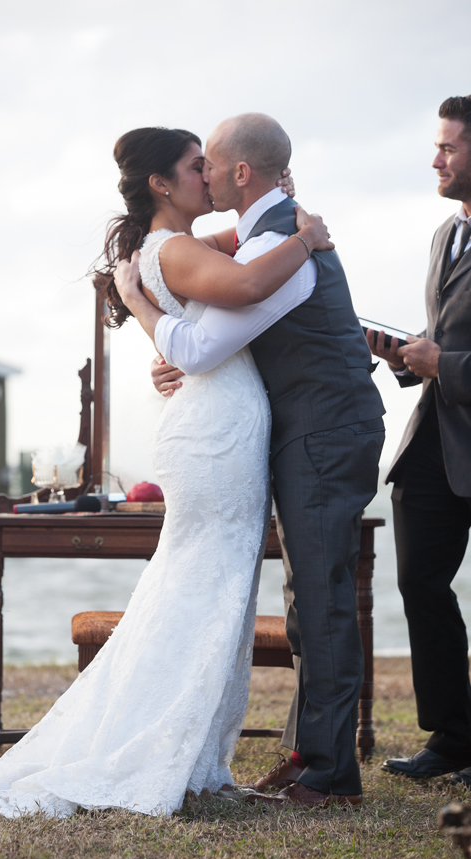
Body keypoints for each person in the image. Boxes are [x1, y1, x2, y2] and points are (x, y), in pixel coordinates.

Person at [0, 126, 332, 818]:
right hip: (216, 433)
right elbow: (253, 278)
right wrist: (308, 239)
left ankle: (193, 750)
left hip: (220, 425)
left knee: (211, 588)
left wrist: (279, 197)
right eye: (196, 168)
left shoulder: (175, 245)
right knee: (201, 587)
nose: (210, 176)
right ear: (162, 186)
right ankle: (156, 746)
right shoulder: (171, 249)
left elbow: (243, 241)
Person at [115, 113, 385, 809]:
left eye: (210, 164)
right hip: (299, 430)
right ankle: (309, 755)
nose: (201, 175)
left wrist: (154, 321)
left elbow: (204, 344)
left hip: (325, 431)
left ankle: (328, 773)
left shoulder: (283, 240)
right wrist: (170, 349)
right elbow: (206, 328)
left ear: (239, 173)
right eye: (192, 166)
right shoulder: (270, 234)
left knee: (320, 598)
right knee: (308, 599)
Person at [366, 95, 471, 783]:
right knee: (419, 582)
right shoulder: (444, 235)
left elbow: (454, 354)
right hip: (436, 437)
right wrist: (406, 355)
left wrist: (448, 364)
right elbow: (446, 340)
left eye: (449, 147)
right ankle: (453, 739)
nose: (435, 158)